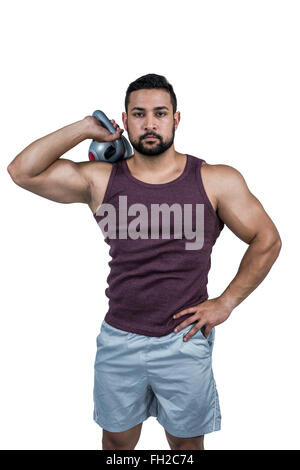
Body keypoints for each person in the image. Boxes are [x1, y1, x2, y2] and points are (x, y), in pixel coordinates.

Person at [7, 73, 282, 450]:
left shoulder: (216, 180)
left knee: (186, 447)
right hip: (119, 338)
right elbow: (21, 171)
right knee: (118, 446)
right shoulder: (101, 181)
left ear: (176, 119)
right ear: (125, 119)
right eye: (139, 114)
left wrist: (226, 302)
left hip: (183, 339)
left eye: (160, 113)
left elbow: (266, 239)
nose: (150, 123)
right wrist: (86, 127)